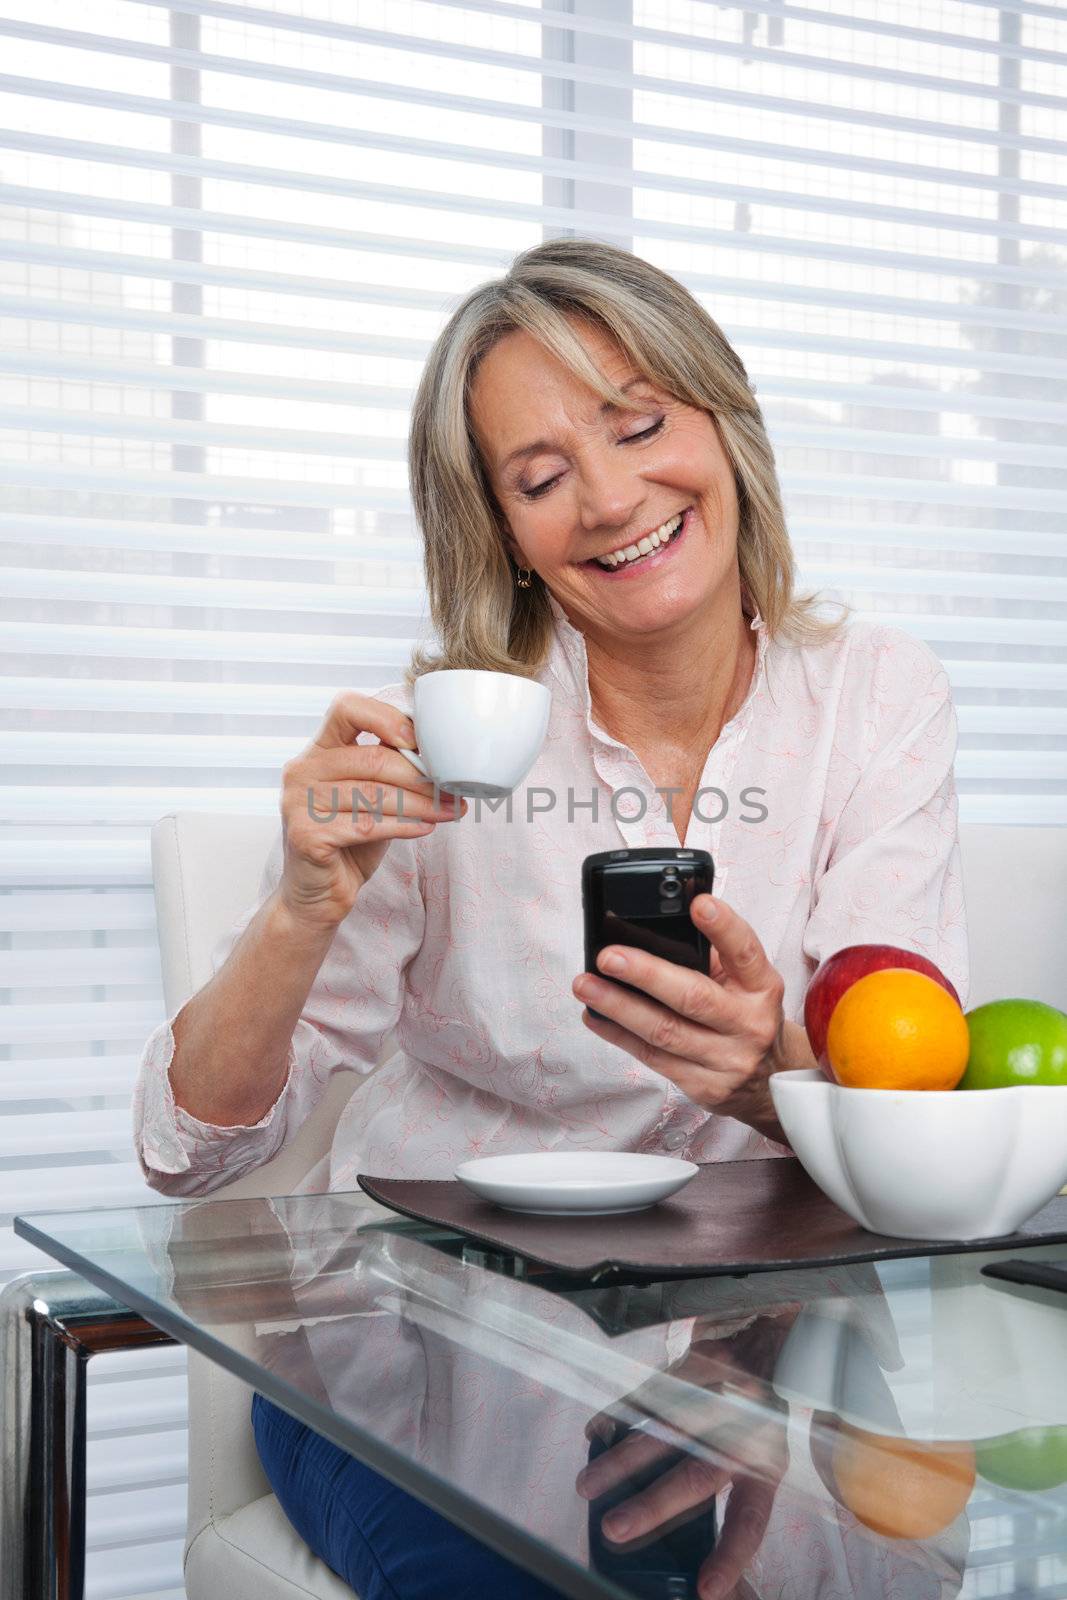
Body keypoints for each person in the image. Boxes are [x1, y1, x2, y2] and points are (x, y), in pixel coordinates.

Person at [133, 237, 969, 1598]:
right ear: (504, 535)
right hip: (415, 1345)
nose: (613, 496)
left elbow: (921, 1120)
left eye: (640, 424)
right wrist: (299, 910)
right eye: (540, 476)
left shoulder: (879, 698)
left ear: (722, 422)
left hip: (760, 1344)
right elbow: (188, 1158)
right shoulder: (448, 746)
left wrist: (773, 1089)